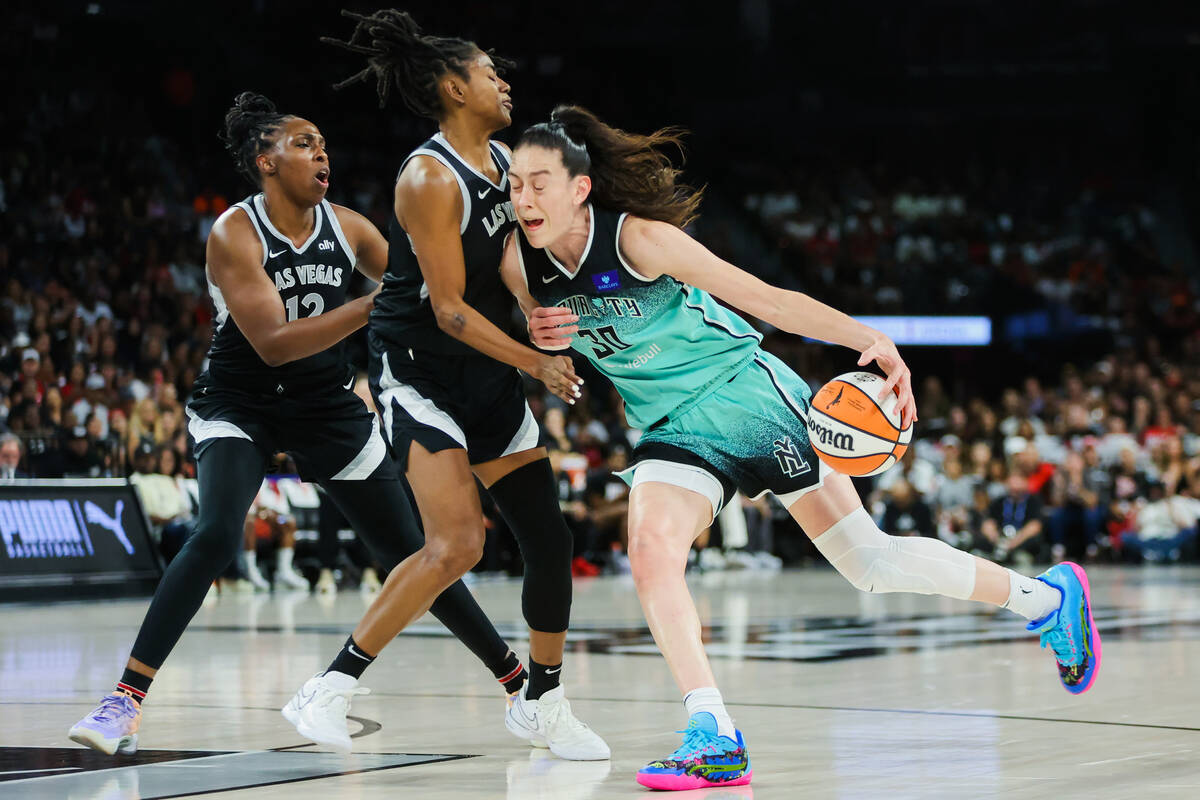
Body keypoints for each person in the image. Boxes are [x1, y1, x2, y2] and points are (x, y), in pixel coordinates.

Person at [502, 106, 1102, 790]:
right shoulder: (520, 263)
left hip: (746, 393)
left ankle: (1047, 601)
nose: (523, 198)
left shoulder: (639, 240)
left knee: (869, 563)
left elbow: (767, 300)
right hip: (670, 427)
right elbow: (530, 339)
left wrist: (867, 338)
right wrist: (538, 341)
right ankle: (713, 733)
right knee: (650, 552)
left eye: (539, 182)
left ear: (580, 187)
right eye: (515, 184)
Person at [68, 92, 530, 757]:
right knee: (217, 533)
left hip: (325, 406)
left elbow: (424, 289)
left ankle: (521, 689)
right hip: (240, 400)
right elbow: (277, 342)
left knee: (415, 553)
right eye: (305, 143)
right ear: (265, 161)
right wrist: (376, 306)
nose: (322, 154)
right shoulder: (234, 231)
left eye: (323, 144)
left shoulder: (350, 226)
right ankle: (123, 703)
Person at [293, 9, 608, 761]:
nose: (503, 81)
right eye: (488, 71)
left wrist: (534, 313)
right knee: (458, 543)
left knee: (549, 535)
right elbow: (450, 310)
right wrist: (534, 362)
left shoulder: (503, 160)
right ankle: (329, 687)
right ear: (451, 86)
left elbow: (502, 253)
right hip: (420, 365)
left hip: (486, 367)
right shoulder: (428, 177)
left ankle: (544, 699)